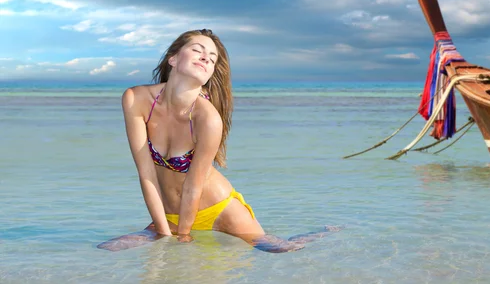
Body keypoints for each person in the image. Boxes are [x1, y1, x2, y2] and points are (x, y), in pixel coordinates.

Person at [97, 29, 338, 253]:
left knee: (280, 250)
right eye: (197, 49)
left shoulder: (207, 118)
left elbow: (194, 184)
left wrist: (183, 235)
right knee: (107, 250)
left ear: (210, 73)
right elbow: (146, 173)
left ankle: (324, 234)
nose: (205, 58)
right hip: (169, 213)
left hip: (219, 209)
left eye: (212, 58)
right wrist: (162, 230)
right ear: (173, 58)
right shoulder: (135, 98)